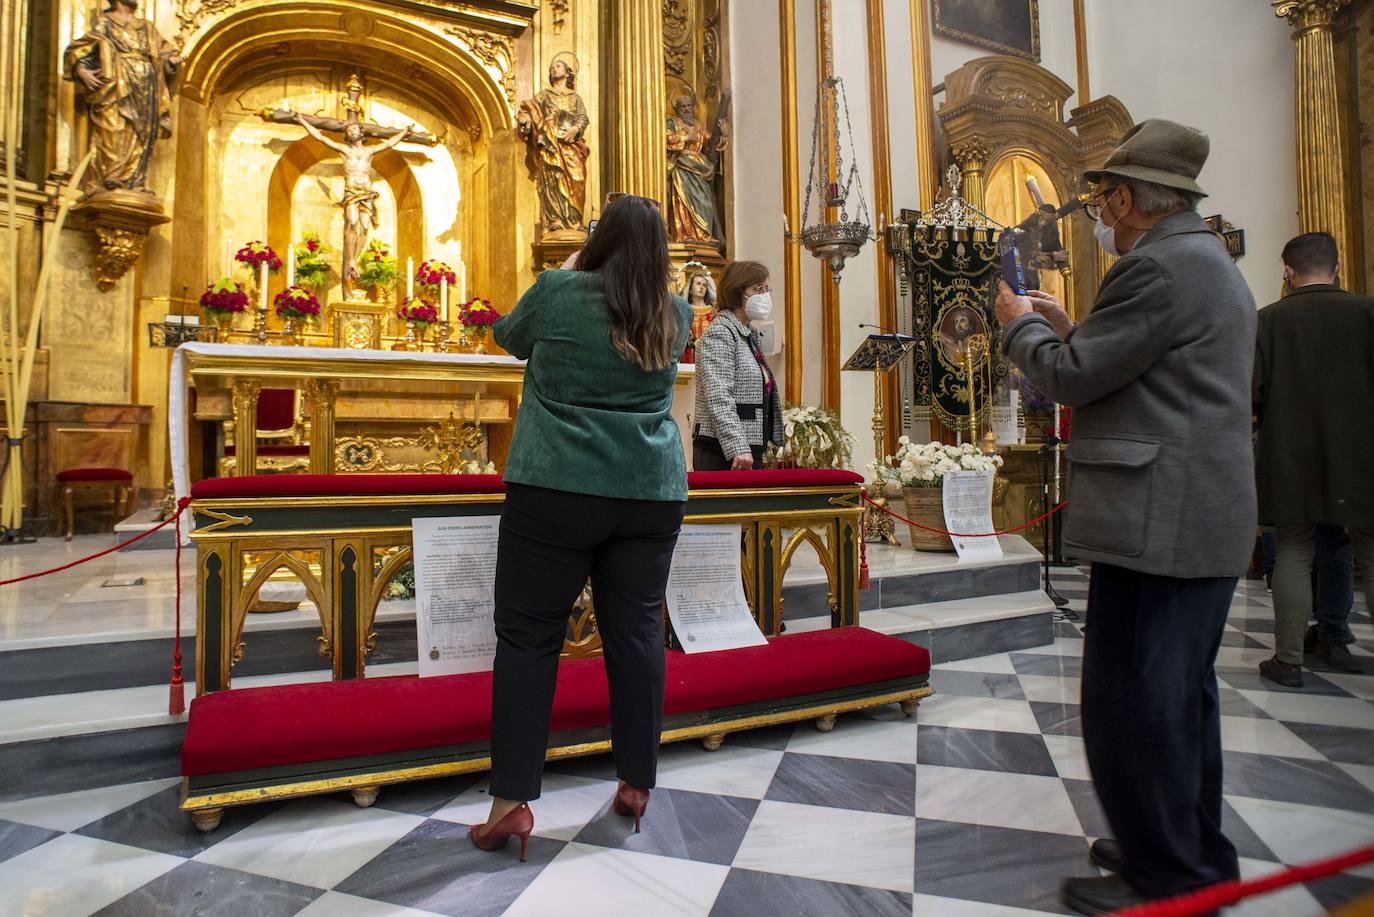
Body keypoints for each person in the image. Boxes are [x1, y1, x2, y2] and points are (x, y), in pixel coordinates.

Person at [994, 119, 1255, 914]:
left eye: (1104, 194)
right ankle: (1180, 847)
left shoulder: (1160, 270)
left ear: (1131, 197)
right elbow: (1142, 366)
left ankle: (1167, 877)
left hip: (1161, 522)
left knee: (1134, 703)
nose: (1100, 211)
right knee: (1176, 698)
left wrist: (1023, 327)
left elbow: (1070, 379)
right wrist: (1078, 329)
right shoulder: (1199, 260)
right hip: (1189, 516)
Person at [470, 195, 692, 859]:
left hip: (556, 486)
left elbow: (505, 338)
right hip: (648, 491)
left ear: (599, 240)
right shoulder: (675, 312)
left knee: (529, 639)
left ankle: (510, 802)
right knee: (636, 633)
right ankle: (636, 782)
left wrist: (568, 267)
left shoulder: (558, 292)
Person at [1254, 231, 1374, 685]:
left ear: (1287, 271)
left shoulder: (1268, 320)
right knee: (1367, 552)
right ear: (1337, 267)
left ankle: (1288, 660)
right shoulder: (1369, 313)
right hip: (1362, 457)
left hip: (1291, 456)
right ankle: (1334, 635)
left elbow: (1251, 395)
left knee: (1294, 551)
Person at [692, 261, 783, 470]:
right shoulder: (721, 332)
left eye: (766, 289)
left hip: (748, 448)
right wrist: (737, 446)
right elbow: (718, 396)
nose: (765, 295)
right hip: (724, 451)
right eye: (757, 289)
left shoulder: (748, 334)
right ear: (736, 291)